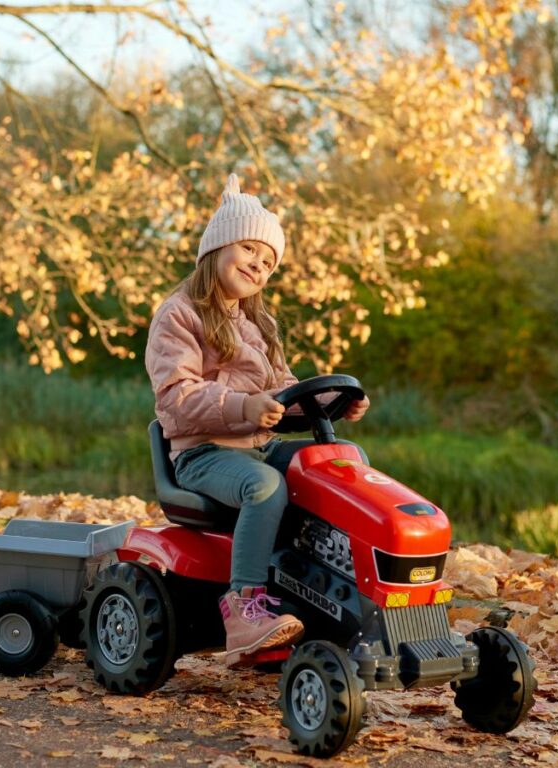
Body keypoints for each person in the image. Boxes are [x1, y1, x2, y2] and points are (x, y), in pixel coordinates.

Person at [144, 173, 370, 667]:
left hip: (255, 444)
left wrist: (332, 402)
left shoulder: (258, 325)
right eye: (249, 248)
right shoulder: (179, 315)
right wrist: (243, 407)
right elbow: (178, 397)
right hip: (202, 454)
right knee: (266, 486)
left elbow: (284, 391)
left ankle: (346, 588)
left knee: (342, 464)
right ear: (217, 248)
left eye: (268, 262)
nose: (258, 265)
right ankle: (244, 608)